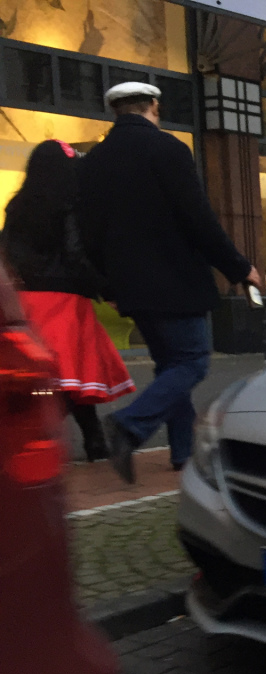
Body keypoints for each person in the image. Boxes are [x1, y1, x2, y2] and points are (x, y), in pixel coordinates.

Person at [78, 81, 262, 482]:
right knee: (192, 362)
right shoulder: (168, 150)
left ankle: (183, 451)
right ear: (154, 107)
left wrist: (107, 286)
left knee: (170, 367)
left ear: (116, 112)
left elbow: (87, 234)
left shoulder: (93, 162)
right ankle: (129, 425)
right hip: (175, 281)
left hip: (129, 287)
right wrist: (238, 267)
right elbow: (198, 220)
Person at [1, 139, 134, 461]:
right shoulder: (69, 204)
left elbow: (7, 252)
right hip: (64, 301)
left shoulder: (15, 206)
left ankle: (93, 441)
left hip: (27, 298)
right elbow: (75, 255)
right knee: (73, 376)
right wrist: (106, 289)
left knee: (50, 374)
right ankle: (70, 439)